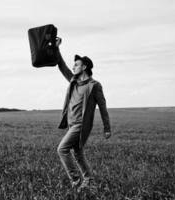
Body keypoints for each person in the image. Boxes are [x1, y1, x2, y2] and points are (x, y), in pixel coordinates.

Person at [55, 37, 112, 192]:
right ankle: (89, 181)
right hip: (72, 124)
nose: (73, 67)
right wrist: (56, 48)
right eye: (73, 64)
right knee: (78, 153)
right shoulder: (73, 81)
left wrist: (107, 128)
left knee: (62, 149)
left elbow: (103, 106)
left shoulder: (94, 86)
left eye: (77, 64)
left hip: (81, 125)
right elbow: (61, 65)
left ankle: (77, 181)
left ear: (84, 67)